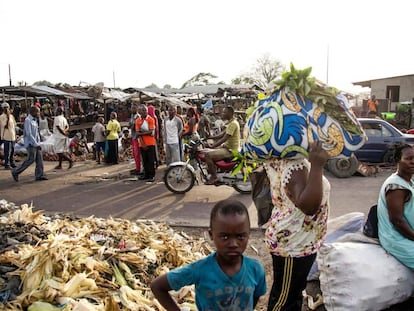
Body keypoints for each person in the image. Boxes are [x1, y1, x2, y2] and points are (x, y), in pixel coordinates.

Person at [150, 199, 267, 310]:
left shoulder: (256, 269)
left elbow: (255, 298)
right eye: (225, 236)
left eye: (240, 236)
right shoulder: (199, 270)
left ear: (248, 234)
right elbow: (158, 286)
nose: (233, 244)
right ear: (211, 234)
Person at [264, 140, 330, 311]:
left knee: (292, 293)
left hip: (299, 241)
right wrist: (317, 166)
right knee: (283, 300)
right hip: (293, 245)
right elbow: (309, 206)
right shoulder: (296, 166)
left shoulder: (286, 157)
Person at [377, 143, 414, 270]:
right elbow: (397, 221)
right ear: (398, 161)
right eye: (408, 159)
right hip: (396, 238)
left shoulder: (409, 180)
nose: (413, 162)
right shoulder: (396, 187)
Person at [204, 106, 240, 185]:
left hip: (230, 150)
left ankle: (214, 177)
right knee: (207, 151)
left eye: (224, 112)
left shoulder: (233, 124)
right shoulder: (230, 122)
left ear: (230, 113)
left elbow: (224, 138)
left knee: (208, 155)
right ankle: (214, 170)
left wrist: (212, 146)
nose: (222, 114)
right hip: (226, 147)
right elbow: (221, 135)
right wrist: (210, 137)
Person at [11, 106, 48, 182]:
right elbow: (29, 134)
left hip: (36, 143)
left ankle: (39, 175)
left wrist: (39, 142)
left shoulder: (34, 120)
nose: (39, 113)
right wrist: (35, 144)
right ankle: (15, 171)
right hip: (31, 144)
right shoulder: (28, 120)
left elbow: (36, 133)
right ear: (33, 112)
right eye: (37, 112)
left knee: (39, 159)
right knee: (30, 160)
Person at [136, 104, 157, 182]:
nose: (145, 112)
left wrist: (142, 133)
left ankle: (152, 175)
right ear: (140, 111)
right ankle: (146, 174)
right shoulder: (138, 121)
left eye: (145, 110)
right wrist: (144, 136)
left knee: (151, 160)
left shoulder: (151, 119)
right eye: (143, 110)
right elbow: (138, 133)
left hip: (150, 143)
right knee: (144, 160)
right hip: (142, 143)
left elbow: (151, 132)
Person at [0, 102, 17, 169]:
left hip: (12, 136)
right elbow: (3, 126)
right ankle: (7, 164)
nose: (6, 109)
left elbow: (14, 126)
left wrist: (15, 135)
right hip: (6, 136)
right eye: (5, 108)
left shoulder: (11, 116)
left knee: (12, 151)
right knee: (7, 151)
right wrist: (7, 118)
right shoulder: (1, 117)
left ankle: (12, 163)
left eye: (7, 108)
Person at [129, 104, 142, 175]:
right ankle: (137, 168)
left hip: (137, 137)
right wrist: (131, 125)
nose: (132, 110)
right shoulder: (132, 116)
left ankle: (139, 169)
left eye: (134, 108)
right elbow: (130, 125)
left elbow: (134, 126)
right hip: (133, 137)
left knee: (137, 154)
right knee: (134, 154)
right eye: (132, 108)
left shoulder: (138, 117)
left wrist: (132, 125)